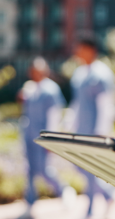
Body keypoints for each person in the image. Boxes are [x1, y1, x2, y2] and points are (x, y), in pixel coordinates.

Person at [68, 32, 115, 218]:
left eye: (80, 48)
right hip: (80, 129)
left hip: (95, 130)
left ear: (90, 50)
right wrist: (70, 125)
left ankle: (90, 209)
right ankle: (107, 194)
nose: (77, 51)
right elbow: (76, 104)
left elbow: (106, 105)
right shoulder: (79, 74)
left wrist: (102, 131)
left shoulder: (102, 74)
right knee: (80, 166)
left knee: (91, 167)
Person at [18, 57, 66, 217]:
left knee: (43, 170)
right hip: (28, 134)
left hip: (42, 136)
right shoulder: (29, 87)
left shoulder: (51, 89)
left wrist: (50, 139)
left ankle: (64, 190)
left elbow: (54, 115)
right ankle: (30, 203)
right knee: (29, 171)